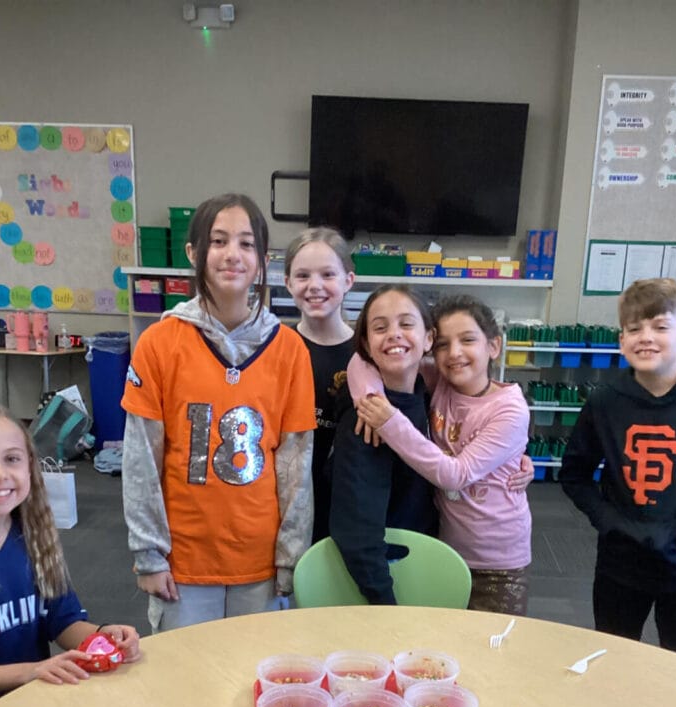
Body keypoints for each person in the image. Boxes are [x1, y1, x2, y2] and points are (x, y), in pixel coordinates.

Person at [122, 193, 316, 632]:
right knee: (185, 684)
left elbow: (294, 465)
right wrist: (148, 554)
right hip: (184, 561)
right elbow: (141, 459)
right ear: (194, 253)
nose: (233, 254)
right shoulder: (159, 342)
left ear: (263, 259)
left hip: (258, 559)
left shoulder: (289, 350)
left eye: (247, 244)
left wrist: (291, 557)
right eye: (219, 241)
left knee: (254, 678)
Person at [559, 277, 676, 661]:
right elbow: (575, 473)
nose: (645, 337)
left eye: (660, 326)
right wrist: (610, 521)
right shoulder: (604, 402)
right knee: (612, 654)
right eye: (634, 329)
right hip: (619, 562)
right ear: (621, 341)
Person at [0, 404, 140, 707]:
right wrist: (31, 671)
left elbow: (62, 621)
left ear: (29, 468)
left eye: (12, 459)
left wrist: (101, 636)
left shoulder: (34, 538)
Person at [351, 294, 532, 613]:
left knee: (491, 651)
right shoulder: (441, 379)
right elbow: (362, 361)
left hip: (497, 564)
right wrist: (369, 398)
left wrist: (389, 421)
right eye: (444, 345)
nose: (454, 353)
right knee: (443, 650)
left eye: (467, 340)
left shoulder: (510, 409)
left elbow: (455, 476)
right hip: (444, 549)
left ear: (493, 346)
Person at [329, 284, 439, 604]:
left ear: (429, 338)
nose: (394, 334)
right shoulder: (365, 421)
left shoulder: (427, 395)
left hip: (424, 565)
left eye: (406, 324)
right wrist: (387, 606)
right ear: (366, 343)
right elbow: (358, 534)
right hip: (382, 584)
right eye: (380, 327)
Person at [284, 227, 355, 541]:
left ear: (348, 281)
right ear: (288, 283)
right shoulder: (276, 346)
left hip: (343, 499)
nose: (315, 286)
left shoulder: (368, 353)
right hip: (286, 496)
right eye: (302, 276)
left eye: (327, 274)